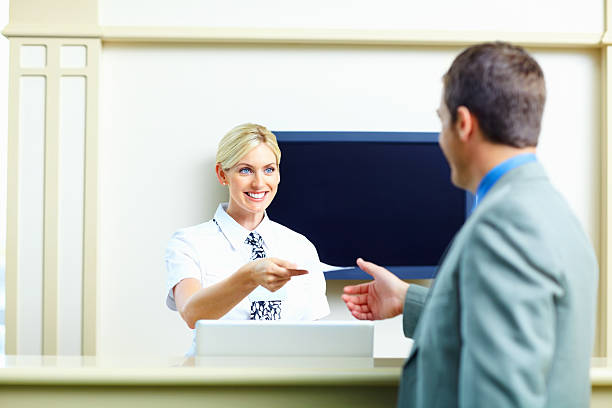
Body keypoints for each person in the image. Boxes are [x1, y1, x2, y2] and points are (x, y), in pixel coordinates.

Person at [343, 42, 598, 407]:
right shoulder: (549, 211)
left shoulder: (506, 227)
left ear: (463, 124)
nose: (440, 138)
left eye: (441, 120)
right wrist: (406, 299)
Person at [166, 123, 329, 355]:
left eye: (269, 170)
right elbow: (191, 313)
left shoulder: (300, 247)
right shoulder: (188, 243)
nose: (259, 183)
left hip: (285, 381)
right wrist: (250, 276)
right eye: (245, 170)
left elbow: (313, 336)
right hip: (212, 380)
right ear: (223, 174)